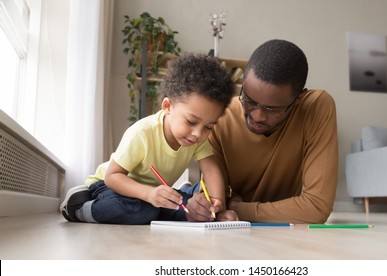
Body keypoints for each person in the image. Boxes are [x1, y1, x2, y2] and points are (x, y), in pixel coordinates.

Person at [60, 53, 237, 224]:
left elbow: (212, 171)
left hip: (154, 195)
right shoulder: (143, 133)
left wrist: (215, 209)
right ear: (168, 106)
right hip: (112, 187)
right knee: (142, 210)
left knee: (194, 208)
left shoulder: (197, 138)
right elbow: (112, 177)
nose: (198, 134)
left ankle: (173, 200)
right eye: (191, 121)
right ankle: (79, 208)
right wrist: (148, 195)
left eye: (209, 127)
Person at [186, 39, 338, 224]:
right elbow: (216, 203)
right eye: (249, 100)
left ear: (298, 100)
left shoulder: (316, 107)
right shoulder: (220, 116)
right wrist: (203, 207)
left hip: (278, 231)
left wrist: (238, 209)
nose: (257, 116)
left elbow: (316, 208)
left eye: (272, 109)